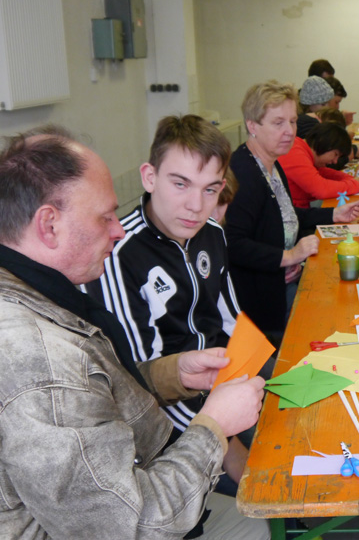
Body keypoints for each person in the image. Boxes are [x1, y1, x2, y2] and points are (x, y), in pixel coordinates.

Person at [0, 125, 268, 539]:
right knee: (266, 524)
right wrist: (215, 427)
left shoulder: (41, 293)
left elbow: (101, 392)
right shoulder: (40, 362)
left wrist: (172, 374)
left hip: (157, 463)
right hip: (151, 505)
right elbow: (135, 525)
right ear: (49, 225)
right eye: (105, 216)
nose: (119, 229)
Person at [83, 114, 251, 495]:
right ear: (149, 177)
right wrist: (229, 443)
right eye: (180, 184)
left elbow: (232, 321)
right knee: (260, 481)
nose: (196, 205)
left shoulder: (211, 234)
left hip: (219, 384)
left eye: (210, 190)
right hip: (172, 426)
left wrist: (254, 378)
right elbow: (142, 387)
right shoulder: (120, 256)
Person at [225, 81, 359, 341]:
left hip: (280, 285)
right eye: (278, 123)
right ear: (252, 126)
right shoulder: (242, 173)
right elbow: (232, 244)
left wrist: (333, 215)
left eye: (292, 121)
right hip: (260, 308)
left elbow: (283, 216)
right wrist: (286, 256)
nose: (289, 131)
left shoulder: (271, 166)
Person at [278, 121, 359, 208]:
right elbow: (322, 190)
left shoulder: (302, 149)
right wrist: (355, 185)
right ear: (325, 143)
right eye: (335, 154)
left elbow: (322, 172)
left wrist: (349, 179)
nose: (335, 161)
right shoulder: (295, 153)